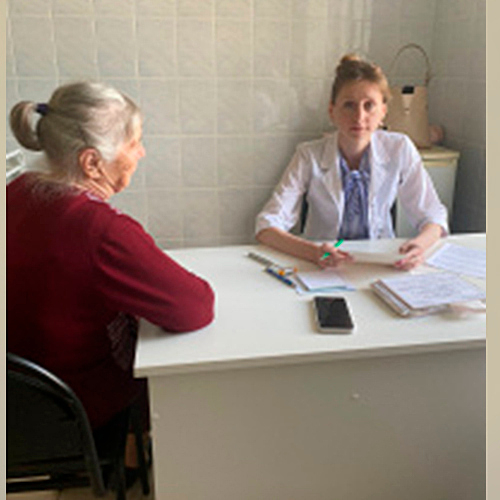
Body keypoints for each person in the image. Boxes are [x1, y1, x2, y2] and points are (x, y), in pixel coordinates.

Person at [7, 82, 215, 474]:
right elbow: (194, 306)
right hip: (73, 409)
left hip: (16, 405)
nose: (141, 153)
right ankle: (136, 454)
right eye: (134, 143)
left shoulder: (15, 191)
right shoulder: (100, 230)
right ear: (91, 163)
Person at [255, 54, 448, 270]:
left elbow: (433, 216)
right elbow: (267, 226)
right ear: (332, 111)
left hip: (382, 261)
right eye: (349, 105)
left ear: (383, 111)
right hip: (322, 265)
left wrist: (419, 246)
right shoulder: (308, 155)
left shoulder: (400, 148)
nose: (359, 117)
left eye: (369, 105)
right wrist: (313, 252)